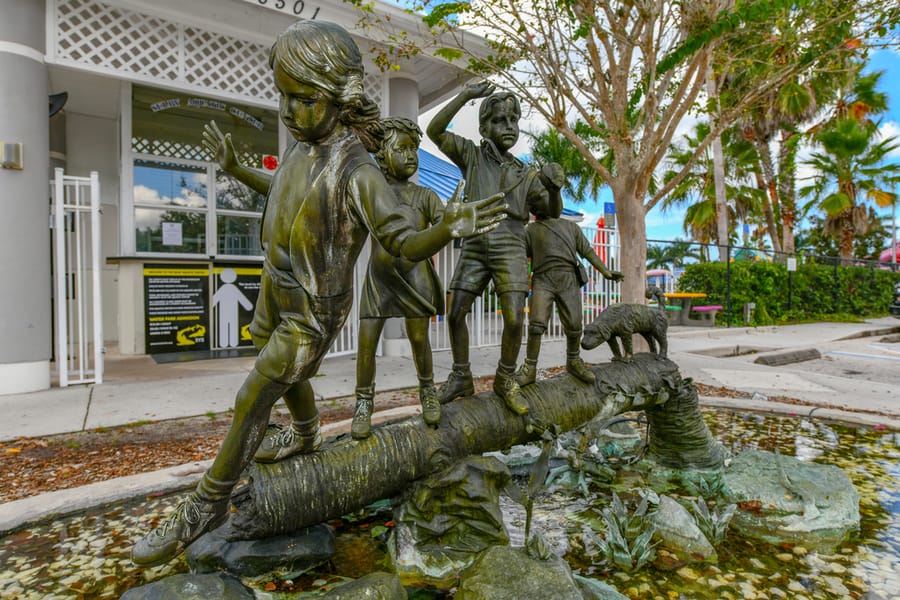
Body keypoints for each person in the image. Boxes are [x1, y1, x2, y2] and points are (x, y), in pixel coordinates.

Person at [132, 20, 506, 568]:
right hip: (274, 289)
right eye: (282, 96)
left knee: (254, 392)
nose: (288, 110)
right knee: (279, 369)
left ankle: (207, 503)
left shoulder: (359, 171)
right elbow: (283, 189)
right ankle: (306, 432)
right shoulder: (297, 150)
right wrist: (237, 168)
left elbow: (400, 241)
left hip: (313, 306)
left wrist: (448, 227)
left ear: (338, 100)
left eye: (302, 99)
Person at [426, 81, 550, 415]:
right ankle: (461, 375)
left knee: (513, 319)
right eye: (499, 121)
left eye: (513, 120)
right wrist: (465, 95)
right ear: (484, 128)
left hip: (511, 240)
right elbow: (434, 130)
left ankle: (505, 377)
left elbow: (549, 210)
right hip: (477, 239)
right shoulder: (471, 154)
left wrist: (553, 187)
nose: (509, 127)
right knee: (455, 313)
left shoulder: (526, 174)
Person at [353, 117, 445, 439]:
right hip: (379, 279)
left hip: (415, 276)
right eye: (401, 149)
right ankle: (364, 403)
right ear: (382, 155)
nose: (410, 156)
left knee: (419, 339)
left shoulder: (426, 196)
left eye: (414, 149)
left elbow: (444, 225)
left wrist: (454, 219)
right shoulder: (371, 194)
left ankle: (428, 391)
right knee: (367, 341)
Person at [516, 163, 623, 387]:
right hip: (543, 279)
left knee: (575, 324)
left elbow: (587, 251)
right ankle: (530, 366)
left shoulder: (571, 228)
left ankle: (573, 361)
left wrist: (605, 271)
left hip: (568, 278)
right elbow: (518, 257)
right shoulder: (530, 231)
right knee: (536, 324)